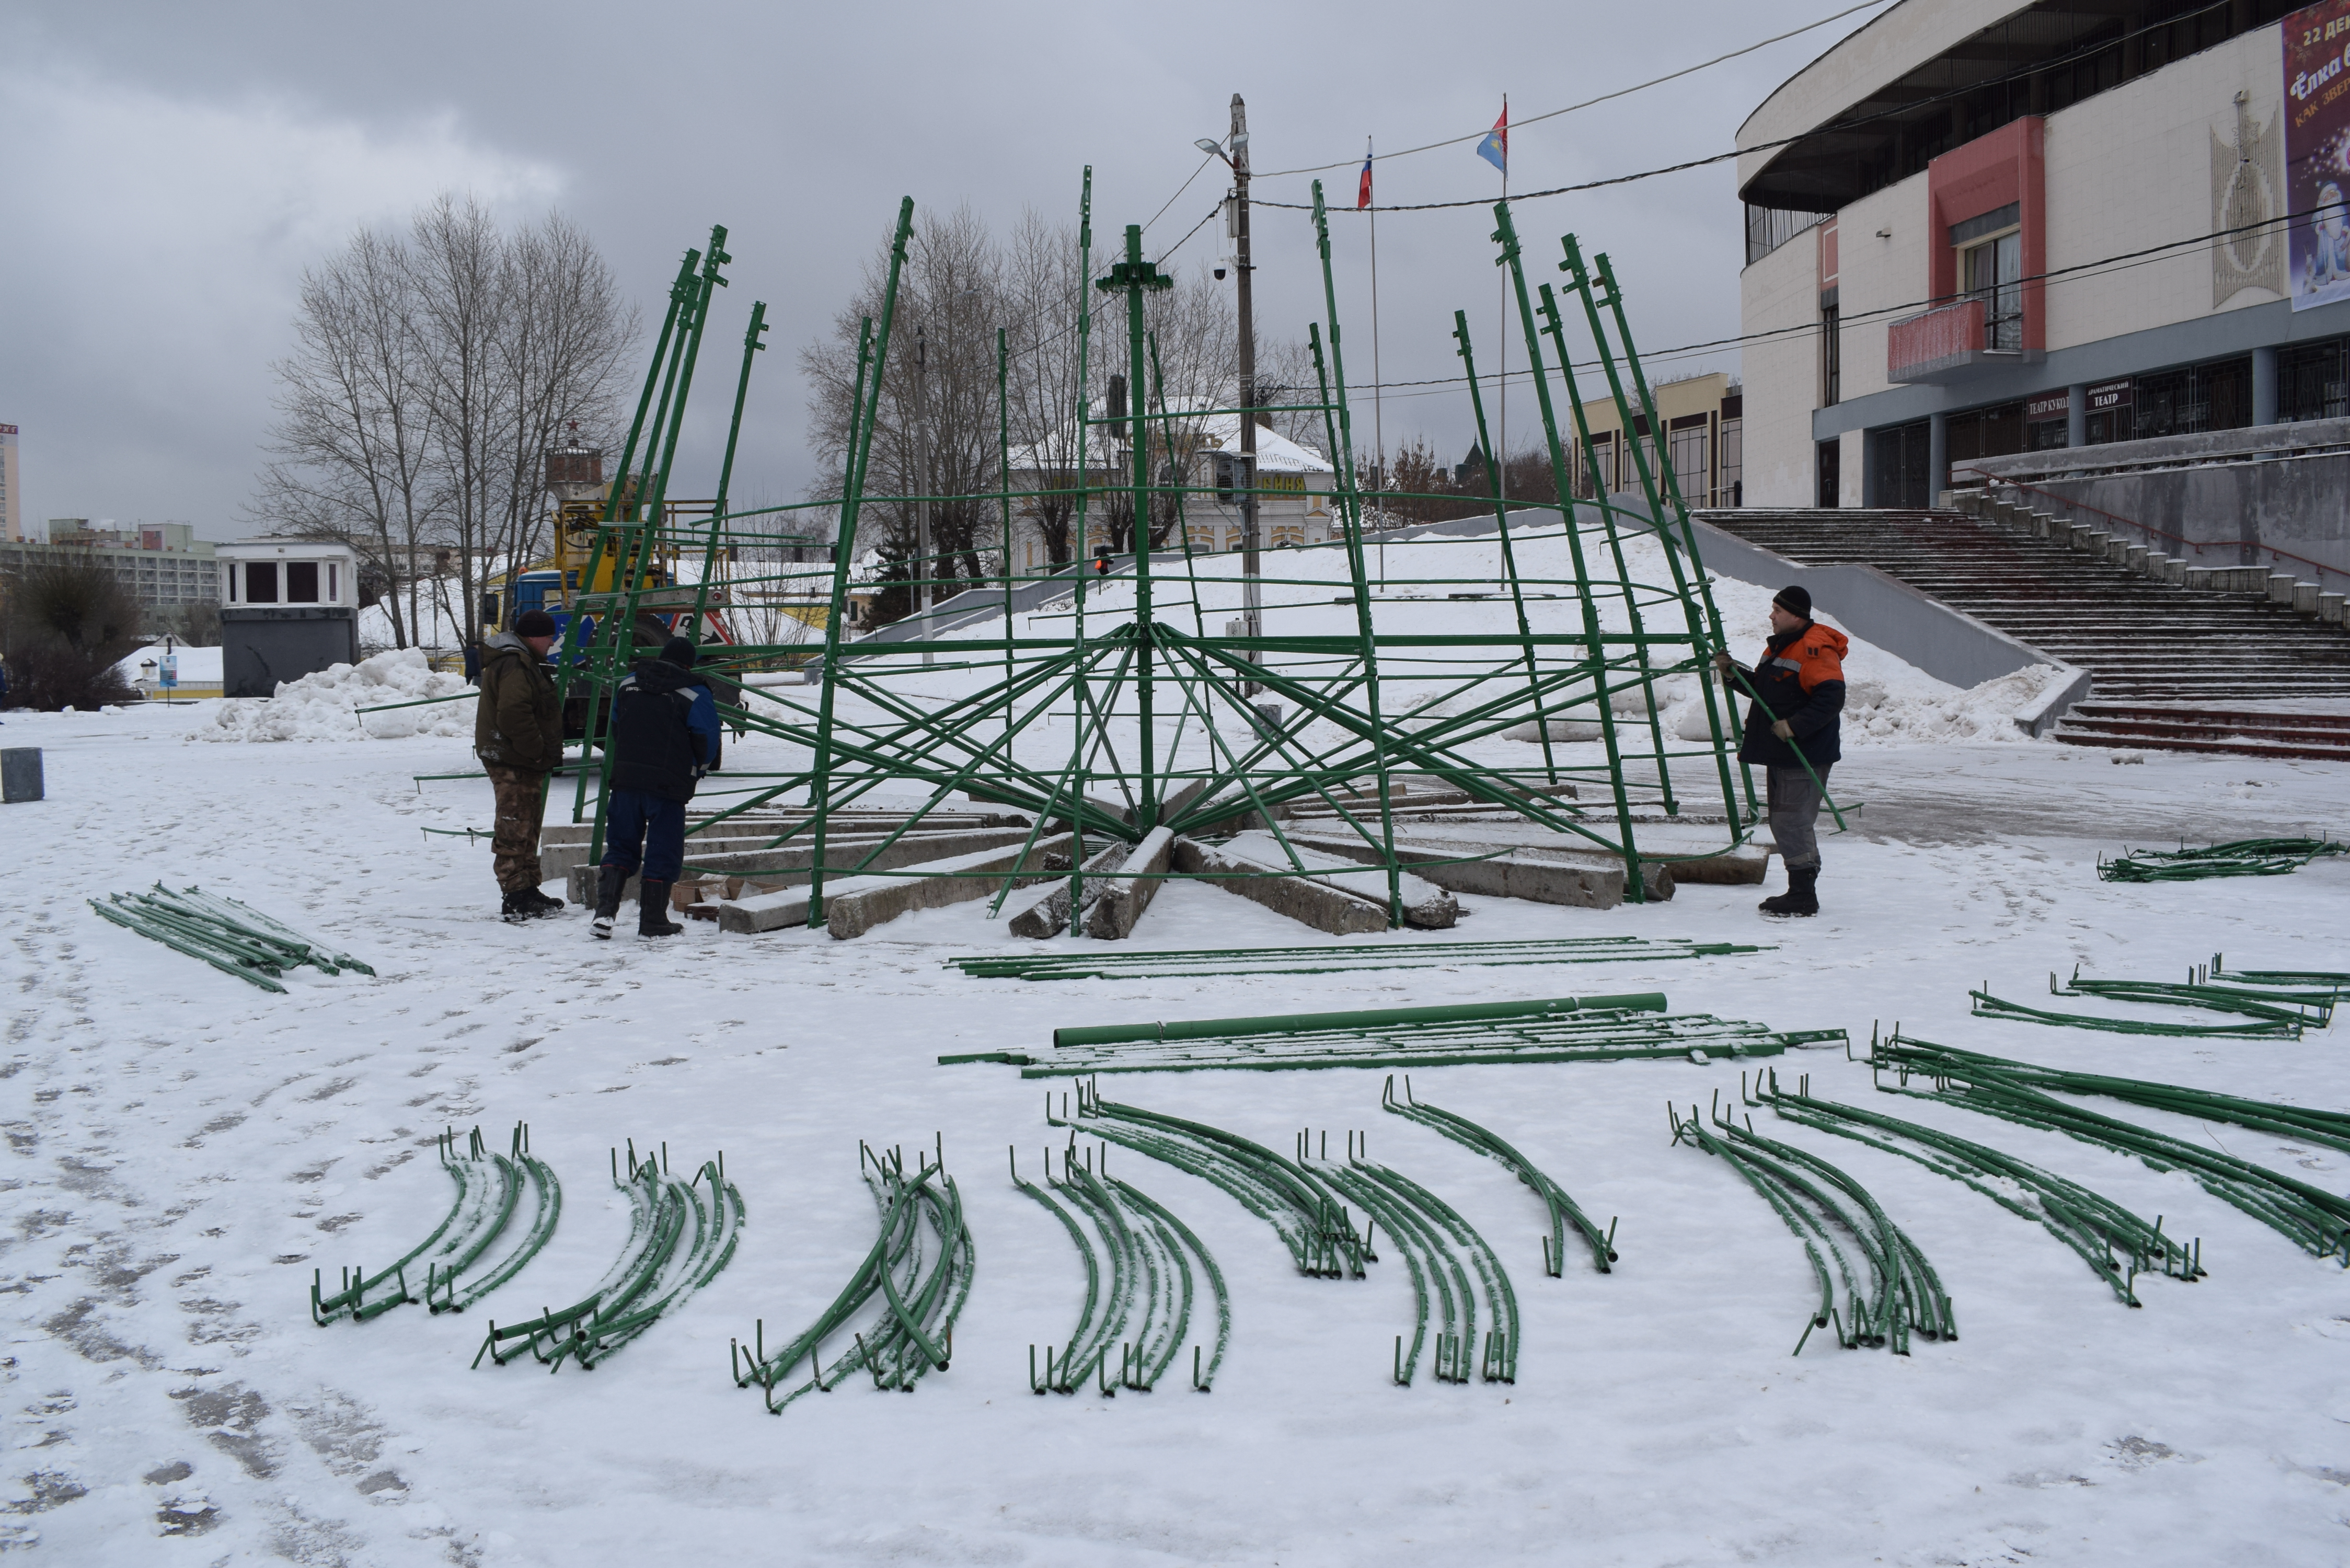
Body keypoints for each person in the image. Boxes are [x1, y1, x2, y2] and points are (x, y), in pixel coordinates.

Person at [1713, 585, 1847, 918]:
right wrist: (1733, 675)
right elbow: (1764, 689)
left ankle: (1803, 895)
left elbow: (1831, 698)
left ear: (1796, 616)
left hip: (1804, 750)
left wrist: (1795, 726)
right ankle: (1802, 887)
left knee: (1791, 822)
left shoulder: (1815, 649)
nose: (1771, 616)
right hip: (1784, 751)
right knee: (1788, 821)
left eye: (1778, 611)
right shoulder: (1781, 647)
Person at [592, 636, 719, 940]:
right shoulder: (695, 692)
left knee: (621, 845)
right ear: (689, 663)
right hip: (667, 786)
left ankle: (604, 913)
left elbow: (615, 726)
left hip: (626, 780)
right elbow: (707, 740)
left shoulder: (627, 685)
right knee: (663, 850)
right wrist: (696, 771)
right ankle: (652, 921)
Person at [475, 609, 567, 923]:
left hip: (521, 759)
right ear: (534, 637)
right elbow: (513, 713)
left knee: (526, 823)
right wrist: (538, 751)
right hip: (514, 759)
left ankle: (527, 890)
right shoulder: (516, 663)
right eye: (549, 635)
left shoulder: (522, 661)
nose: (553, 641)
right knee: (515, 825)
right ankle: (515, 896)